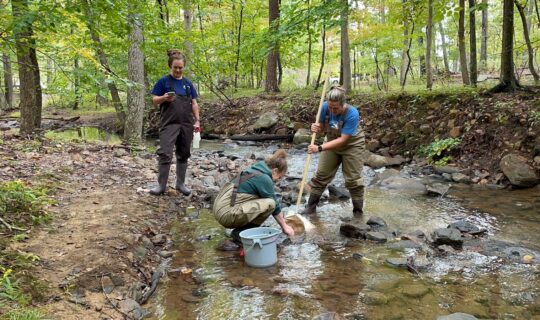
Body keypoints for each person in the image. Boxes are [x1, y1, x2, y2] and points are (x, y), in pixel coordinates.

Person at [304, 86, 366, 215]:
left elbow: (343, 140)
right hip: (331, 141)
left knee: (353, 180)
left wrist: (319, 148)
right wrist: (316, 127)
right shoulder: (325, 107)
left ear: (343, 104)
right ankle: (310, 208)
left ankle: (358, 212)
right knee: (321, 175)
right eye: (330, 107)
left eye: (335, 108)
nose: (332, 110)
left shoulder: (352, 114)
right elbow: (321, 128)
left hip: (352, 145)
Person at [212, 149, 295, 244]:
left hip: (220, 210)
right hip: (226, 214)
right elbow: (275, 206)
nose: (278, 180)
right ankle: (241, 233)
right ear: (275, 171)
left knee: (264, 199)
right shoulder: (264, 178)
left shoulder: (254, 170)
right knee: (270, 204)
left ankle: (241, 231)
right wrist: (285, 226)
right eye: (279, 177)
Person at [149, 50, 201, 196]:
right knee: (165, 153)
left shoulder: (188, 84)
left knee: (184, 153)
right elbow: (154, 100)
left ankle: (180, 184)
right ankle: (161, 186)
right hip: (168, 123)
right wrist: (164, 98)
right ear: (170, 67)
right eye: (175, 67)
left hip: (186, 123)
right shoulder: (163, 82)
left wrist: (197, 121)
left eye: (180, 67)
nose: (178, 70)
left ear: (184, 67)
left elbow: (194, 103)